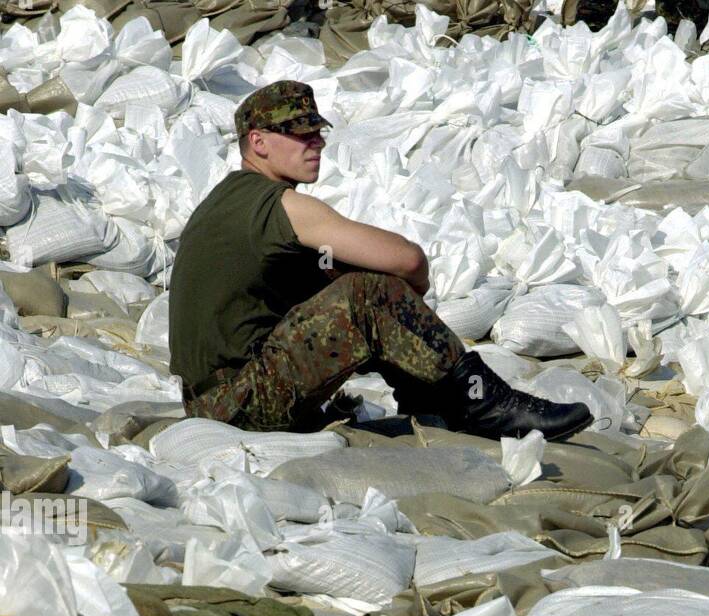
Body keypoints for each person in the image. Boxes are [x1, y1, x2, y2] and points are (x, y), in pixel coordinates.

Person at [168, 80, 594, 441]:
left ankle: (435, 400)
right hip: (239, 404)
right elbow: (407, 260)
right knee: (370, 291)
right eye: (298, 133)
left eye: (317, 132)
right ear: (257, 142)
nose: (315, 142)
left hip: (218, 399)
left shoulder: (230, 201)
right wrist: (406, 293)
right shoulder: (278, 205)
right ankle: (484, 404)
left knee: (354, 286)